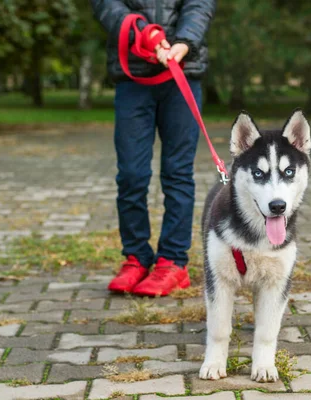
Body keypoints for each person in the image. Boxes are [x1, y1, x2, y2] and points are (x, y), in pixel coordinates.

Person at [90, 0, 216, 296]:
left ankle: (173, 263)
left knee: (178, 173)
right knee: (131, 174)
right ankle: (136, 257)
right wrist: (145, 34)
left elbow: (199, 5)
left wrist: (183, 43)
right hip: (132, 79)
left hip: (182, 70)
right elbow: (107, 5)